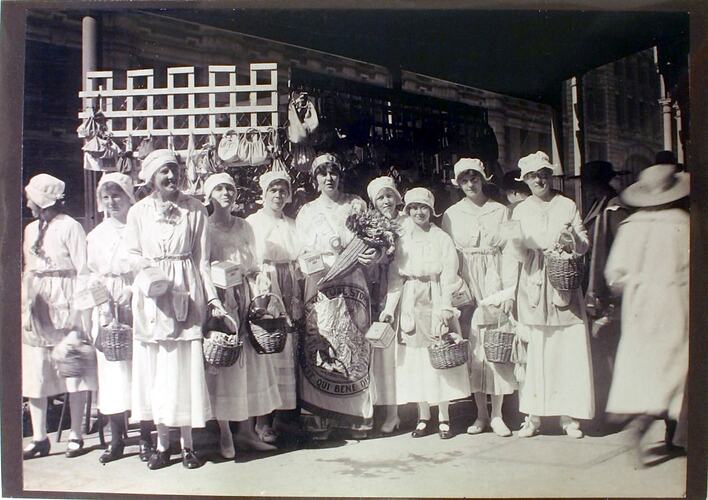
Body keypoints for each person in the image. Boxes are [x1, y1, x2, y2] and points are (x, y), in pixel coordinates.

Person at [124, 149, 222, 469]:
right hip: (153, 297)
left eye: (174, 170)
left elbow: (202, 261)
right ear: (152, 177)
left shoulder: (195, 210)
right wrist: (147, 271)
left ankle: (189, 445)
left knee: (184, 372)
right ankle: (163, 445)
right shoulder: (138, 212)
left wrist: (213, 300)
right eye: (163, 171)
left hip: (186, 295)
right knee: (159, 374)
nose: (170, 177)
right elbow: (130, 254)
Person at [604, 161, 689, 463]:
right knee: (678, 368)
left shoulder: (631, 225)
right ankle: (669, 432)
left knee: (646, 366)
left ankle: (647, 424)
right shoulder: (684, 222)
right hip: (676, 301)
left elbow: (614, 275)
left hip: (640, 304)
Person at [508, 151, 594, 438]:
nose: (539, 180)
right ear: (526, 180)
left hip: (563, 280)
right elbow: (516, 254)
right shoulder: (520, 210)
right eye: (532, 176)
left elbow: (584, 245)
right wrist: (518, 242)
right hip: (533, 280)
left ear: (550, 175)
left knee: (567, 348)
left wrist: (572, 240)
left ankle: (569, 417)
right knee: (536, 349)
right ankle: (533, 416)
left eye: (543, 174)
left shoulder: (567, 204)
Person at [295, 153, 378, 440]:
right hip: (321, 281)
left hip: (353, 279)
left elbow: (372, 241)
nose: (329, 178)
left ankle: (356, 418)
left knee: (353, 341)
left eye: (333, 172)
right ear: (315, 179)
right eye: (322, 173)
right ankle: (320, 418)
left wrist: (369, 256)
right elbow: (301, 252)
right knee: (323, 342)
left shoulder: (356, 205)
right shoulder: (307, 212)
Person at [380, 187, 471, 440]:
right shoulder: (404, 239)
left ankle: (444, 416)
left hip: (434, 294)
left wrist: (444, 309)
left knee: (438, 356)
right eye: (413, 208)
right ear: (407, 211)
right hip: (410, 297)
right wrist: (389, 309)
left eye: (424, 208)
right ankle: (423, 416)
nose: (419, 212)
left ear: (431, 211)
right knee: (415, 360)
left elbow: (450, 275)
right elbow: (396, 278)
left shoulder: (441, 238)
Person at [203, 172, 283, 457]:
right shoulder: (206, 227)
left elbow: (257, 263)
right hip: (222, 301)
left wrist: (259, 287)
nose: (226, 193)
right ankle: (225, 434)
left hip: (246, 297)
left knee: (248, 364)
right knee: (225, 363)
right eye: (219, 188)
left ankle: (247, 432)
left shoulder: (246, 226)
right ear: (209, 195)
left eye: (230, 188)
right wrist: (216, 300)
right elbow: (202, 266)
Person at [22, 173, 97, 459]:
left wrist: (79, 315)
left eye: (32, 197)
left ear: (44, 200)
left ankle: (76, 433)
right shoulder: (31, 230)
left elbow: (84, 271)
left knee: (72, 367)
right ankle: (40, 437)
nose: (28, 202)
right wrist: (27, 304)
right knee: (36, 371)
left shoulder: (71, 227)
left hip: (65, 304)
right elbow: (29, 268)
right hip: (37, 304)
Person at [442, 159, 517, 437]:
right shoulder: (451, 214)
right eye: (464, 180)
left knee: (496, 343)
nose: (470, 184)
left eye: (474, 178)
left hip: (493, 277)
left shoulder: (500, 211)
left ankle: (498, 414)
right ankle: (480, 414)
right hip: (466, 280)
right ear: (458, 183)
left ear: (483, 179)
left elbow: (510, 251)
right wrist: (453, 288)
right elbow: (448, 254)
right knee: (473, 348)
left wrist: (509, 290)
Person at [86, 172, 153, 464]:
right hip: (105, 304)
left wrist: (132, 289)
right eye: (106, 197)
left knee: (141, 370)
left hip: (136, 300)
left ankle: (147, 438)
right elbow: (88, 273)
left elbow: (149, 267)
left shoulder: (139, 229)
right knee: (112, 372)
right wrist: (100, 301)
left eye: (117, 196)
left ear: (129, 197)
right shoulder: (96, 235)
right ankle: (117, 438)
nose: (112, 202)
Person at [574, 161, 632, 426]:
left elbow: (620, 251)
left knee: (608, 346)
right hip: (595, 284)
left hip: (608, 288)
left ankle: (614, 409)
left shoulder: (614, 208)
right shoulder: (599, 204)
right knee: (601, 347)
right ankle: (605, 405)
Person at [245, 171, 303, 437]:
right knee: (266, 348)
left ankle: (283, 416)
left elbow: (301, 256)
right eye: (273, 191)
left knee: (287, 348)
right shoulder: (253, 223)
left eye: (282, 191)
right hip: (265, 283)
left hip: (289, 282)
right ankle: (262, 420)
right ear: (264, 194)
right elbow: (249, 258)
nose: (278, 195)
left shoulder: (292, 224)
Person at [365, 176, 408, 434]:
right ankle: (379, 407)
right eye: (380, 197)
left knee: (394, 354)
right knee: (378, 352)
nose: (386, 201)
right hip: (376, 289)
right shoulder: (372, 225)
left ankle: (395, 412)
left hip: (399, 289)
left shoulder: (405, 224)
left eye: (389, 196)